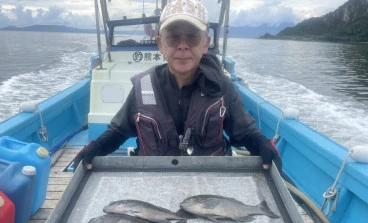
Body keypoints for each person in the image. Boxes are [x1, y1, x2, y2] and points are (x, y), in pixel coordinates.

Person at [73, 0, 281, 171]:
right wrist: (97, 146)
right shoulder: (143, 87)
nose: (182, 45)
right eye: (173, 38)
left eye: (192, 37)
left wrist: (262, 144)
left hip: (211, 177)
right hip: (154, 176)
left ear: (205, 43)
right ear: (160, 43)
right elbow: (119, 132)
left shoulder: (222, 86)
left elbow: (244, 133)